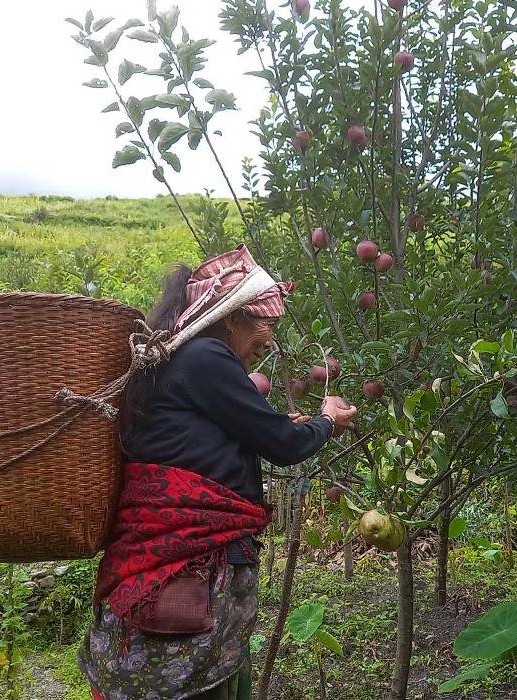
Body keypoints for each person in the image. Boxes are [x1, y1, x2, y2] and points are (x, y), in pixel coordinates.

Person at [78, 245, 357, 700]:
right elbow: (284, 447)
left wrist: (272, 426)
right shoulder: (207, 355)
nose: (269, 339)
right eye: (263, 322)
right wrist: (327, 421)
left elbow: (201, 439)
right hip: (195, 556)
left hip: (174, 548)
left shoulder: (178, 357)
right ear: (230, 318)